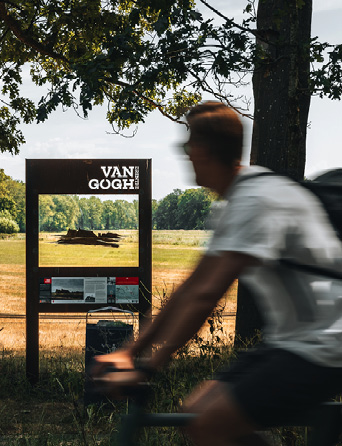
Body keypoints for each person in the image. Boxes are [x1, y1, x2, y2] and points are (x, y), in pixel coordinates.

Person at [92, 101, 342, 446]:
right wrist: (130, 351)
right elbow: (190, 289)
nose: (185, 155)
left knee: (210, 422)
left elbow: (207, 295)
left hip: (326, 343)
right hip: (291, 341)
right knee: (196, 415)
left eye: (187, 146)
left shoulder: (257, 198)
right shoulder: (237, 201)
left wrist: (149, 366)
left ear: (204, 151)